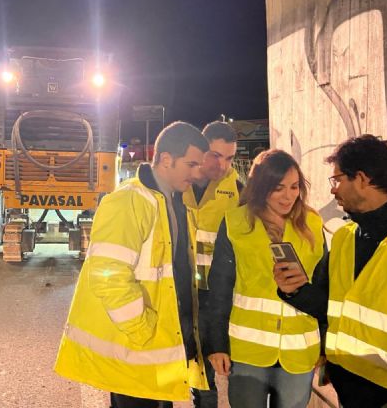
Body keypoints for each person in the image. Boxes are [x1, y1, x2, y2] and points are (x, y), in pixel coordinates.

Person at [55, 121, 210, 407]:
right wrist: (143, 331)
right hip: (138, 347)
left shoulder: (176, 202)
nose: (196, 172)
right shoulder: (128, 200)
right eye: (191, 164)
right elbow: (108, 276)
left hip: (161, 345)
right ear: (166, 159)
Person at [274, 135, 387, 407]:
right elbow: (331, 307)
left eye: (337, 179)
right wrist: (296, 291)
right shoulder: (346, 237)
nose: (333, 190)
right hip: (349, 391)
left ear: (362, 179)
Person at [207, 149, 325, 408]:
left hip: (299, 350)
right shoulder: (236, 222)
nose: (288, 196)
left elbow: (324, 288)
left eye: (294, 186)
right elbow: (219, 289)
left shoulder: (313, 224)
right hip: (248, 350)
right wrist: (217, 345)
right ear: (261, 187)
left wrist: (326, 346)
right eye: (278, 188)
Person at [183, 121, 243, 408]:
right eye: (216, 155)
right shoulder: (179, 184)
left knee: (221, 368)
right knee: (198, 373)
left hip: (219, 294)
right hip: (183, 290)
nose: (222, 165)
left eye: (229, 158)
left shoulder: (239, 192)